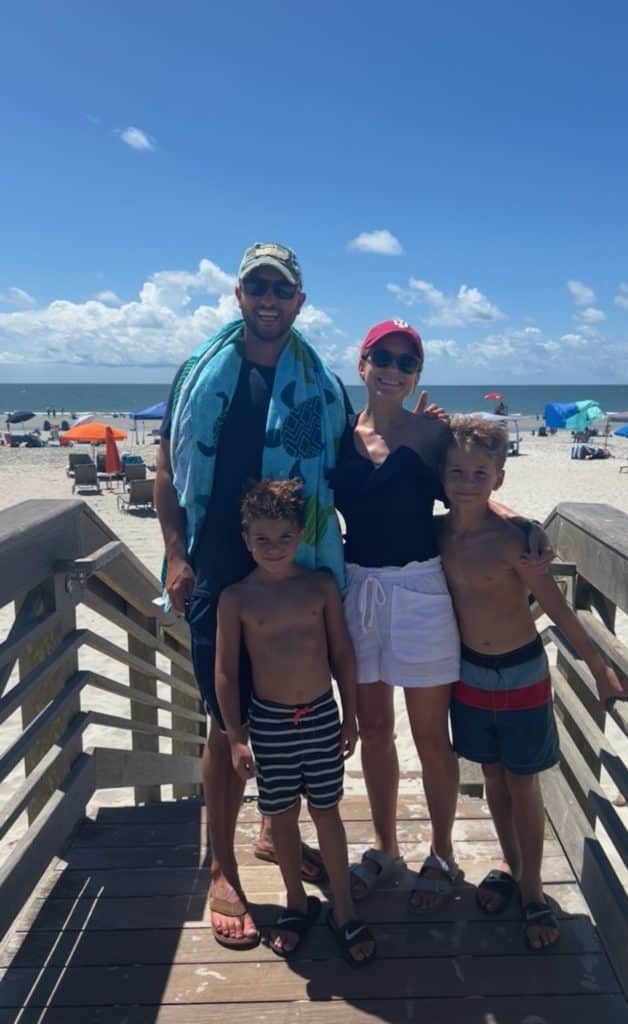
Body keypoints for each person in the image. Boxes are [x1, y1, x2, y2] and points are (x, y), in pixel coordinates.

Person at [156, 242, 348, 946]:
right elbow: (165, 473)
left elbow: (352, 461)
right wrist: (176, 555)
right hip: (216, 567)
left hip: (295, 567)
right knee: (224, 713)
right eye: (256, 286)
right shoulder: (202, 372)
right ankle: (224, 866)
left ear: (300, 301)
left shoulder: (321, 382)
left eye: (282, 289)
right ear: (239, 295)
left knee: (292, 701)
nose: (269, 299)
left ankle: (276, 830)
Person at [331, 321, 552, 912]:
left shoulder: (432, 437)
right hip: (360, 589)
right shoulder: (339, 433)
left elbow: (469, 488)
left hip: (422, 590)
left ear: (417, 374)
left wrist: (518, 521)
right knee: (375, 731)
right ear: (362, 362)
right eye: (383, 356)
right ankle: (383, 847)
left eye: (407, 361)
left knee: (431, 737)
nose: (394, 369)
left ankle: (442, 851)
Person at [438, 415, 628, 949]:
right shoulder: (435, 535)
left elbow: (556, 608)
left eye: (479, 473)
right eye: (455, 470)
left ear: (497, 478)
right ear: (441, 476)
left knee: (523, 781)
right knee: (493, 777)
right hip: (469, 675)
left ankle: (532, 887)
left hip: (522, 670)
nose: (465, 482)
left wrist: (600, 670)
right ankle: (509, 860)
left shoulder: (514, 543)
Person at [215, 480, 375, 965]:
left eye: (284, 538)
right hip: (269, 722)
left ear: (301, 535)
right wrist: (236, 737)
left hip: (322, 716)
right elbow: (225, 672)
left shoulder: (320, 586)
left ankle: (342, 908)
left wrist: (351, 716)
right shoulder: (236, 598)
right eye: (262, 539)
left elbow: (342, 654)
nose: (274, 548)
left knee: (327, 810)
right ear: (246, 539)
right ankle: (295, 901)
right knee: (281, 815)